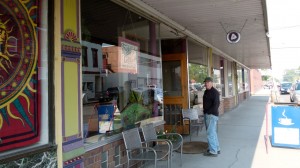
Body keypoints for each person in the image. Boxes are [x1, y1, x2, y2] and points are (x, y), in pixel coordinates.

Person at [202, 77, 221, 157]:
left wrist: (209, 113)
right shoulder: (206, 91)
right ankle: (217, 148)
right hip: (208, 114)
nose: (206, 84)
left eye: (208, 82)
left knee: (210, 133)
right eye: (205, 82)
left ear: (212, 83)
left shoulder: (215, 92)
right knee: (213, 132)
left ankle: (213, 151)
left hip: (211, 115)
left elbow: (216, 105)